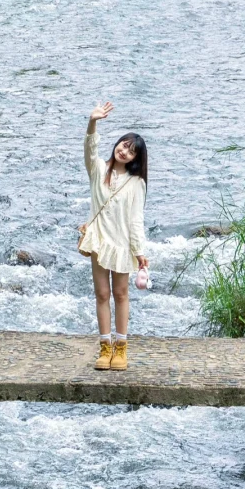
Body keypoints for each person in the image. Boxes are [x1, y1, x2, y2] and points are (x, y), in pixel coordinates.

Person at [79, 101, 149, 371]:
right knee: (101, 293)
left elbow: (136, 220)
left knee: (120, 294)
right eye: (123, 145)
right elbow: (90, 149)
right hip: (98, 241)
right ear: (117, 144)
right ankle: (104, 346)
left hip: (121, 244)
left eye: (131, 151)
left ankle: (121, 348)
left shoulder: (136, 183)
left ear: (135, 159)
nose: (124, 151)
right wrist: (92, 121)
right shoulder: (98, 169)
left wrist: (139, 251)